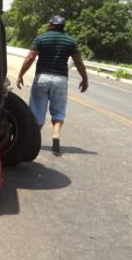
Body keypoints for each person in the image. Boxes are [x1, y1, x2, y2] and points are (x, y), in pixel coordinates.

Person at [16, 15, 88, 156]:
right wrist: (84, 78)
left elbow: (30, 57)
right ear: (63, 26)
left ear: (50, 25)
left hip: (42, 77)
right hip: (60, 79)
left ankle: (32, 141)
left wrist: (20, 74)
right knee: (58, 110)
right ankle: (55, 134)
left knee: (37, 111)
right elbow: (79, 62)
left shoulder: (41, 38)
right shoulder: (70, 41)